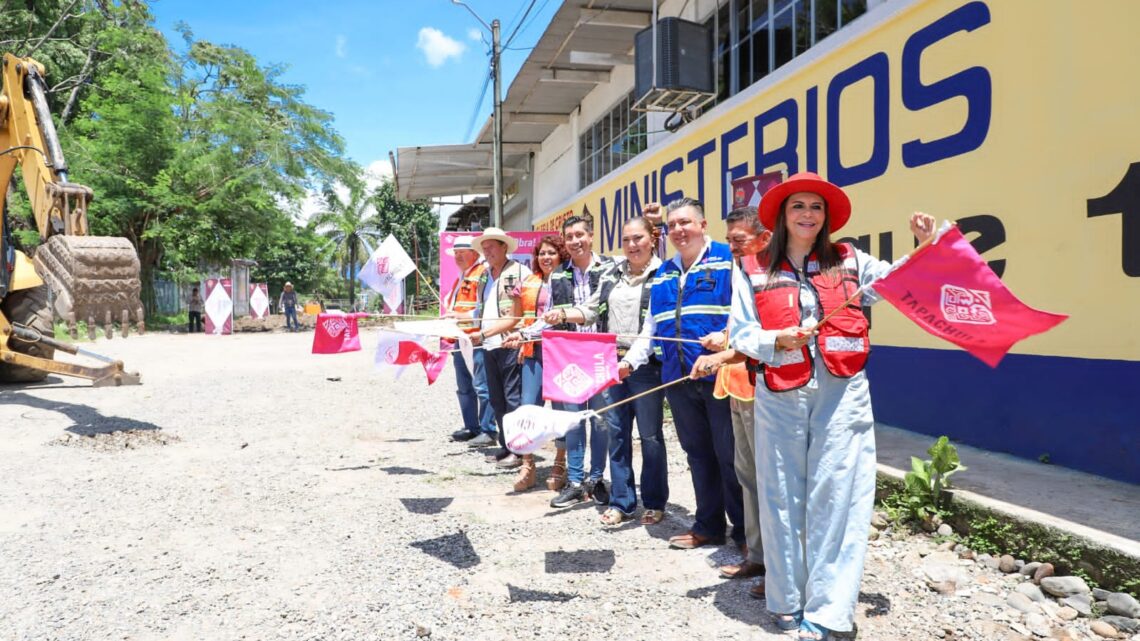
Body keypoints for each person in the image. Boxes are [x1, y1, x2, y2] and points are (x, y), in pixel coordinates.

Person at [729, 172, 934, 640]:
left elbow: (896, 284)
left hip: (842, 391)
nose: (807, 215)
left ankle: (829, 613)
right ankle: (786, 600)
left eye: (816, 207)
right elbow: (739, 331)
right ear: (783, 215)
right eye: (798, 206)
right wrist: (774, 338)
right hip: (780, 390)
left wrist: (922, 246)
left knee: (840, 494)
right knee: (781, 494)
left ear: (826, 217)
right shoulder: (753, 266)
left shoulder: (851, 259)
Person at [624, 198, 745, 551]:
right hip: (678, 379)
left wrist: (726, 339)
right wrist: (630, 361)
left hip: (721, 377)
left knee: (729, 454)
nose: (679, 230)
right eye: (673, 224)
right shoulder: (664, 271)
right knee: (697, 454)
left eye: (686, 223)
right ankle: (708, 524)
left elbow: (745, 313)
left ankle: (743, 533)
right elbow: (652, 326)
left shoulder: (727, 260)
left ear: (703, 225)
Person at [558, 216, 669, 526]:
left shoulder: (663, 275)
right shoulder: (611, 274)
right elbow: (591, 309)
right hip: (609, 363)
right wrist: (563, 313)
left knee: (650, 437)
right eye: (627, 240)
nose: (632, 245)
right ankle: (622, 501)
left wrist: (631, 361)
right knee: (617, 435)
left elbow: (655, 326)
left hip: (645, 366)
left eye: (638, 239)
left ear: (652, 239)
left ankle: (655, 500)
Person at [689, 206, 772, 598]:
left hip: (766, 391)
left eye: (739, 240)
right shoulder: (742, 271)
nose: (733, 247)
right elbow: (740, 324)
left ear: (764, 237)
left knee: (770, 480)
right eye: (731, 240)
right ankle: (757, 555)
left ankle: (779, 565)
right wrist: (725, 337)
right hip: (736, 387)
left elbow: (766, 332)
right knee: (748, 476)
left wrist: (723, 352)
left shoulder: (772, 275)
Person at [541, 215, 615, 509]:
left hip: (600, 357)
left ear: (592, 235)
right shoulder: (557, 275)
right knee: (572, 422)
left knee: (600, 421)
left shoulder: (612, 267)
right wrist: (522, 333)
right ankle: (574, 482)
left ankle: (596, 480)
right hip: (569, 359)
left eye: (580, 234)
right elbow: (546, 317)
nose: (575, 241)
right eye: (569, 236)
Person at [502, 235, 571, 492]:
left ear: (561, 255)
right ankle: (528, 465)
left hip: (561, 354)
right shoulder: (528, 282)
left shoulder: (570, 280)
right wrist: (518, 340)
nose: (546, 257)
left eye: (552, 252)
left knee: (562, 409)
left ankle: (559, 464)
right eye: (542, 253)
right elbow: (517, 318)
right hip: (533, 351)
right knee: (528, 408)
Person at [471, 227, 531, 468]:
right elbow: (481, 307)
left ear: (504, 247)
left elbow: (518, 316)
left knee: (512, 399)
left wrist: (484, 333)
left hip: (509, 342)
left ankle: (518, 451)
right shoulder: (485, 276)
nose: (487, 252)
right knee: (497, 398)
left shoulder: (518, 272)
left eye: (491, 247)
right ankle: (506, 445)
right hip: (489, 344)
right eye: (484, 249)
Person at [443, 237, 497, 445]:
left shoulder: (482, 274)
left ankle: (488, 429)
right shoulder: (463, 276)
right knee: (464, 385)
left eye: (462, 252)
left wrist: (459, 316)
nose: (458, 257)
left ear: (474, 254)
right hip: (461, 338)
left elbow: (484, 306)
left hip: (476, 338)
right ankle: (472, 426)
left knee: (482, 385)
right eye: (456, 253)